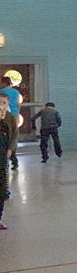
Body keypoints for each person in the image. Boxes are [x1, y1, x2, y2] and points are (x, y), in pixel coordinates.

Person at [0, 76, 21, 171]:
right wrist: (17, 114)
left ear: (4, 83)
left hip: (4, 115)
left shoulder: (1, 92)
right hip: (15, 114)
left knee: (5, 138)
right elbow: (18, 104)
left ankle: (7, 159)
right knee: (13, 136)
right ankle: (14, 159)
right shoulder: (16, 92)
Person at [0, 93, 12, 230]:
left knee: (2, 193)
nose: (2, 110)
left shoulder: (5, 125)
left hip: (2, 164)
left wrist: (10, 150)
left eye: (4, 105)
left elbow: (12, 137)